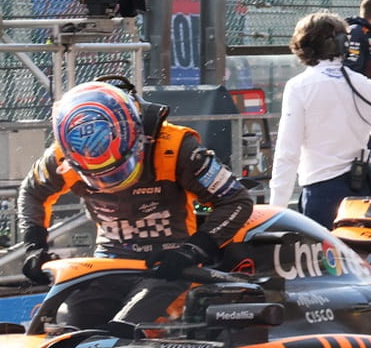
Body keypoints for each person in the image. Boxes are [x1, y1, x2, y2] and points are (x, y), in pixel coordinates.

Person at [18, 80, 254, 328]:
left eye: (114, 167)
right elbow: (32, 192)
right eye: (97, 173)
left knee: (128, 327)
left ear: (138, 135)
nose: (108, 180)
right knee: (69, 327)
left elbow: (236, 200)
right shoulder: (58, 157)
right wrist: (35, 244)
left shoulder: (176, 147)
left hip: (172, 266)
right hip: (108, 264)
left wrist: (192, 250)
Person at [271, 12, 371, 229]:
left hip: (319, 194)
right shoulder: (364, 85)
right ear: (345, 44)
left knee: (324, 262)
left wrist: (276, 212)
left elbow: (287, 153)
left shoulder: (299, 87)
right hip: (363, 194)